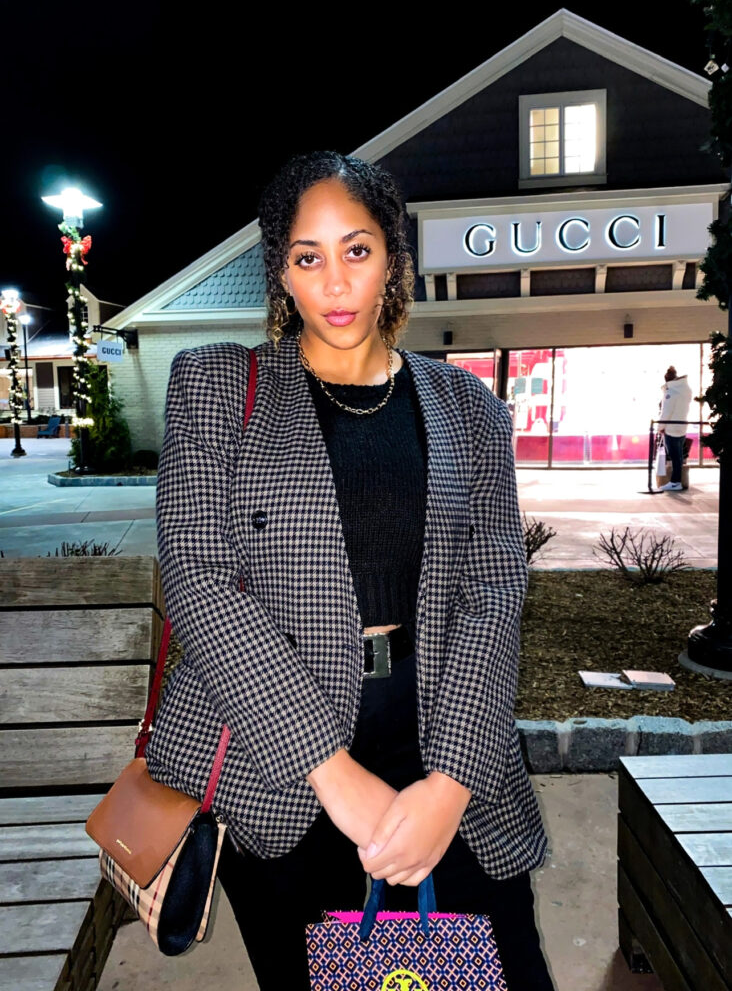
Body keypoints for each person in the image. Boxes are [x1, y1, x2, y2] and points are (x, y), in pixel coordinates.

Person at [146, 151, 554, 990]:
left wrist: (450, 785)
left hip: (438, 723)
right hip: (277, 753)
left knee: (503, 969)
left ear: (393, 259)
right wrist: (334, 775)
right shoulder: (218, 386)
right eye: (309, 257)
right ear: (281, 272)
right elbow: (196, 576)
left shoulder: (468, 408)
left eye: (357, 250)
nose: (335, 283)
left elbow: (492, 591)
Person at [658, 365, 693, 492]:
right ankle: (676, 481)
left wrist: (660, 427)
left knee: (674, 457)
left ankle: (675, 482)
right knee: (679, 457)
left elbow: (666, 412)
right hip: (682, 427)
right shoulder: (685, 390)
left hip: (671, 429)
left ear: (667, 379)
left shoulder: (670, 392)